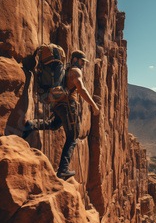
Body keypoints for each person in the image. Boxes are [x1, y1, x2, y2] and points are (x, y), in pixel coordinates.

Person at [23, 50, 100, 179]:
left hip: (58, 105)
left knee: (54, 124)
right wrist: (94, 105)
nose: (83, 64)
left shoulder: (64, 70)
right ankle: (63, 170)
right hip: (68, 106)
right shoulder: (76, 71)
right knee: (73, 137)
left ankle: (32, 124)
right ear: (75, 59)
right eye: (82, 61)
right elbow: (81, 89)